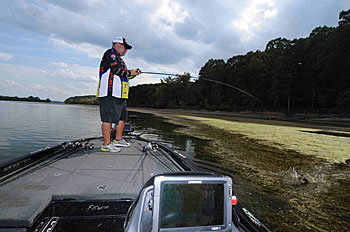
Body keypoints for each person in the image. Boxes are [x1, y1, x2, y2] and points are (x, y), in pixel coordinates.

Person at [96, 36, 141, 152]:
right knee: (108, 118)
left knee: (122, 118)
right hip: (110, 94)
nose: (126, 51)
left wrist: (132, 74)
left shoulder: (119, 59)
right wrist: (129, 72)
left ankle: (118, 139)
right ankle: (106, 145)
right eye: (125, 48)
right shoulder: (110, 54)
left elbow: (122, 75)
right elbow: (116, 70)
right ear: (118, 45)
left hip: (120, 95)